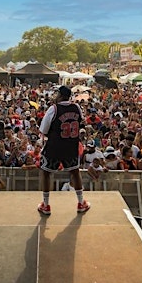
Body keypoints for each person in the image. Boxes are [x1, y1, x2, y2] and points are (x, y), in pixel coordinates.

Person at [37, 85, 90, 216]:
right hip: (71, 146)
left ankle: (46, 204)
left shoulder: (53, 109)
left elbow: (43, 130)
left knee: (46, 173)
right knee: (75, 172)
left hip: (54, 146)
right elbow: (80, 122)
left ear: (61, 96)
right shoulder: (76, 107)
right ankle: (81, 202)